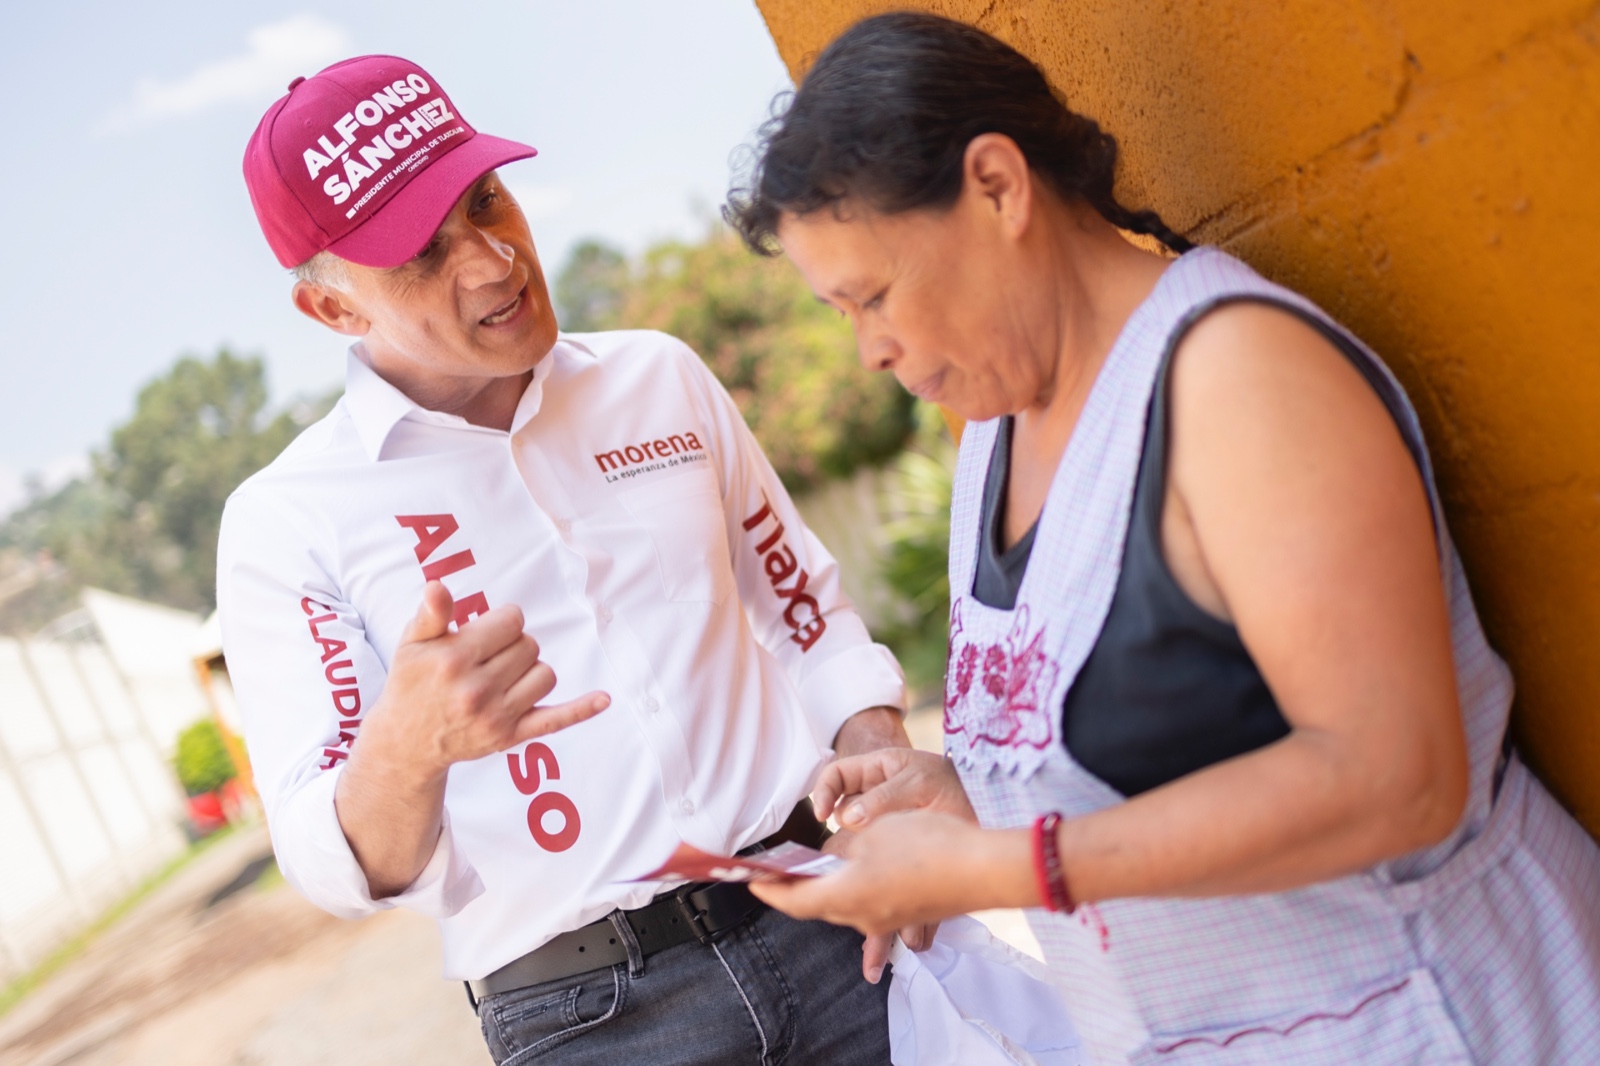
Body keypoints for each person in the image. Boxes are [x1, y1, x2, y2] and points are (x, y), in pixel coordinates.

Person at [729, 13, 1600, 1065]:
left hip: (1438, 1020)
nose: (869, 350)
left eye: (873, 295)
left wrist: (1001, 868)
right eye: (842, 312)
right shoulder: (995, 432)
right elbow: (1160, 735)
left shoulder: (1234, 379)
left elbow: (1396, 775)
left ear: (997, 186)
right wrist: (969, 801)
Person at [221, 54, 914, 1065]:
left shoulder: (659, 378)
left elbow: (801, 606)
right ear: (335, 310)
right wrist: (406, 751)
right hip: (591, 1022)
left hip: (834, 929)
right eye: (421, 251)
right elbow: (332, 861)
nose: (492, 261)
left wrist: (885, 770)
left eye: (486, 201)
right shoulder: (290, 520)